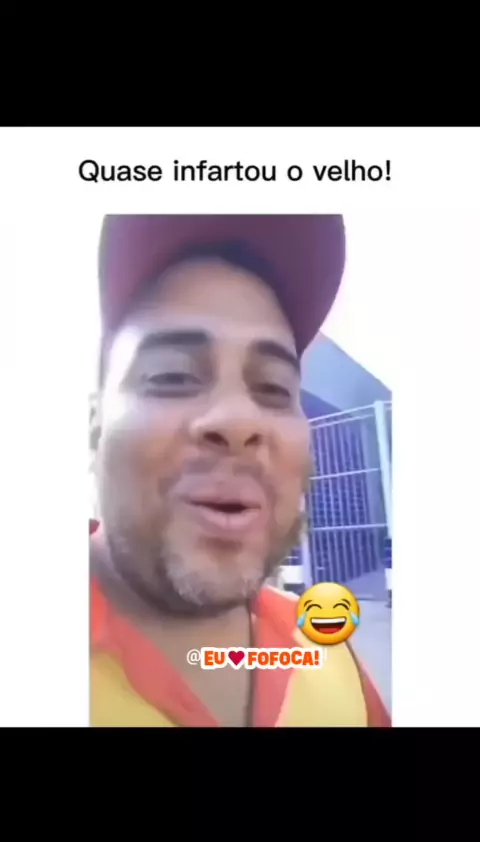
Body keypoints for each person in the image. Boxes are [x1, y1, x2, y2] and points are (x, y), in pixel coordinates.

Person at [90, 214, 391, 727]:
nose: (237, 420)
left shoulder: (329, 653)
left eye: (273, 388)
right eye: (172, 376)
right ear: (94, 427)